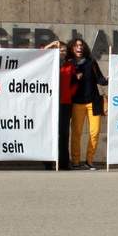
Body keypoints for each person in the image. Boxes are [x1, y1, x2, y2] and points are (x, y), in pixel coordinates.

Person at [69, 38, 108, 170]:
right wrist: (75, 77)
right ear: (72, 48)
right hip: (77, 103)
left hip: (94, 102)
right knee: (76, 133)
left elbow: (100, 80)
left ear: (84, 47)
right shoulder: (69, 63)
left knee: (95, 132)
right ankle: (75, 161)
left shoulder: (91, 62)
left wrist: (111, 78)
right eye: (76, 45)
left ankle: (89, 161)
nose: (79, 47)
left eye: (81, 45)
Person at [44, 40, 77, 170]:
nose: (62, 52)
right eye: (60, 50)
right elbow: (37, 56)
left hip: (64, 103)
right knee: (49, 132)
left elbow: (75, 83)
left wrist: (69, 93)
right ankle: (48, 162)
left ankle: (63, 162)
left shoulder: (70, 65)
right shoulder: (48, 63)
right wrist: (51, 45)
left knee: (63, 133)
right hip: (50, 103)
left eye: (64, 50)